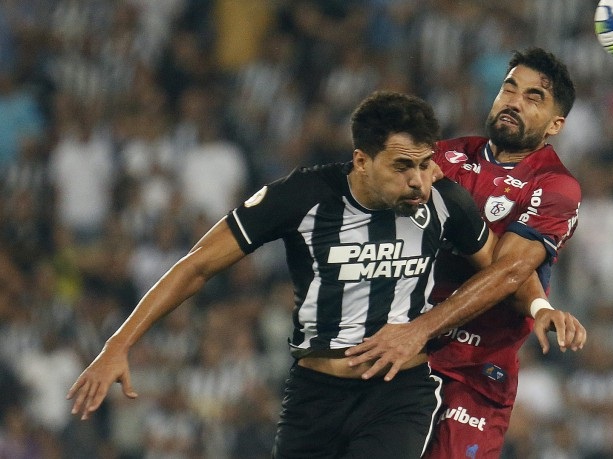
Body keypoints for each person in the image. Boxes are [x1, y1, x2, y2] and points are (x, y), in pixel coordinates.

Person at [67, 91, 553, 459]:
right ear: (361, 160)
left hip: (399, 394)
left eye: (426, 164)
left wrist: (540, 305)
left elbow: (503, 269)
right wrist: (119, 344)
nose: (419, 180)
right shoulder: (300, 197)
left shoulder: (446, 202)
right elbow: (196, 265)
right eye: (403, 166)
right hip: (314, 395)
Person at [345, 48, 587, 458]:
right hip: (396, 350)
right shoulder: (443, 156)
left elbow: (509, 272)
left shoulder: (555, 186)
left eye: (533, 97)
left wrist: (421, 329)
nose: (514, 100)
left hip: (474, 371)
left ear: (555, 124)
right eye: (509, 88)